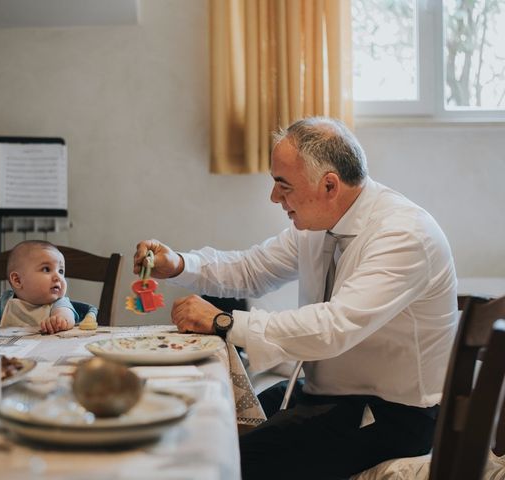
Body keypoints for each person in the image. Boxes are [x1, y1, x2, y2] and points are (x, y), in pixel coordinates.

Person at [133, 117, 457, 479]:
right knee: (206, 424)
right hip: (326, 394)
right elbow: (251, 268)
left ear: (329, 185)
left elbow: (332, 329)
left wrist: (223, 321)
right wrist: (179, 264)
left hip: (392, 414)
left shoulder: (404, 235)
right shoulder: (319, 224)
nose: (275, 198)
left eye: (283, 186)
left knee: (228, 462)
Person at [0, 240, 98, 334]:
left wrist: (59, 321)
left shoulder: (59, 303)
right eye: (46, 269)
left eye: (61, 271)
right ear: (17, 280)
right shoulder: (3, 303)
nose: (58, 277)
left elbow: (67, 318)